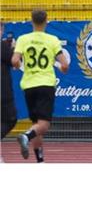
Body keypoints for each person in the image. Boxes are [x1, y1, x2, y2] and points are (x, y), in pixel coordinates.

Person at [11, 9, 70, 163]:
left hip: (29, 85)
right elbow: (65, 64)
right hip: (45, 83)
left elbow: (15, 60)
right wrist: (62, 68)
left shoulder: (23, 39)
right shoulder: (52, 40)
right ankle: (25, 136)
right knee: (43, 125)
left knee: (36, 124)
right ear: (46, 21)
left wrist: (17, 65)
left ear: (31, 21)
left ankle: (40, 160)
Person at [1, 23, 17, 153]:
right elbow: (14, 61)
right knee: (11, 119)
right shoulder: (2, 47)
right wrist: (13, 48)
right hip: (3, 91)